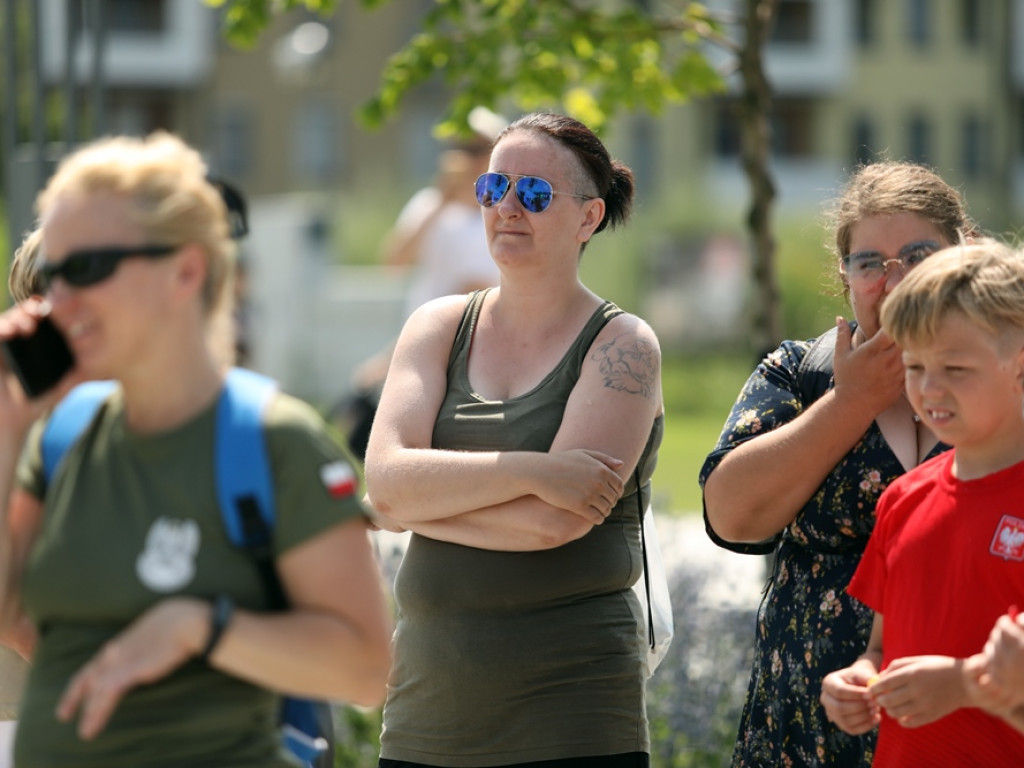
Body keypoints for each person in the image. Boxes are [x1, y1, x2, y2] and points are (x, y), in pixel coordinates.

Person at [0, 131, 393, 767]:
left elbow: (365, 670)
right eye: (49, 277)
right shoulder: (59, 437)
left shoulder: (274, 440)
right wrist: (7, 425)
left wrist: (199, 628)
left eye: (85, 269)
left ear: (185, 271)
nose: (56, 303)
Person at [364, 111, 664, 767]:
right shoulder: (436, 327)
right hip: (426, 717)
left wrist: (427, 501)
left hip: (573, 721)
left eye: (533, 195)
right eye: (492, 189)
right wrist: (534, 469)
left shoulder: (624, 345)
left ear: (588, 218)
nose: (507, 208)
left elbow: (553, 523)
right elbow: (384, 487)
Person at [699, 160, 978, 767]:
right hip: (806, 719)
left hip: (970, 714)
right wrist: (850, 402)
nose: (893, 278)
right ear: (846, 276)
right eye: (869, 262)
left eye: (918, 253)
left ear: (965, 254)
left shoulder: (1006, 379)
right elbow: (731, 517)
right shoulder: (799, 373)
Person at [819, 240, 1024, 765]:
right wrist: (862, 678)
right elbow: (883, 650)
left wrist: (966, 686)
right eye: (915, 367)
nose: (930, 389)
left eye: (955, 369)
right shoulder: (903, 499)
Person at [341, 109, 506, 460]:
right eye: (460, 147)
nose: (467, 157)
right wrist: (442, 198)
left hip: (483, 348)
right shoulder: (430, 205)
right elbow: (394, 262)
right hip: (424, 344)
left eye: (477, 148)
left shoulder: (502, 211)